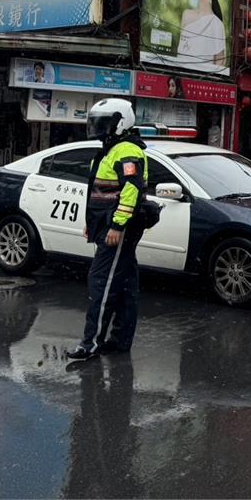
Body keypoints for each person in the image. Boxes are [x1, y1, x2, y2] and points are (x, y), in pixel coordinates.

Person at [66, 99, 149, 362]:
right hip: (109, 226)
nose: (97, 127)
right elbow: (101, 192)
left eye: (103, 121)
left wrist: (117, 226)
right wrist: (94, 225)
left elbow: (131, 191)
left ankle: (91, 344)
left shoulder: (125, 151)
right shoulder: (111, 148)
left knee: (101, 283)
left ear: (119, 122)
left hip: (119, 229)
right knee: (124, 285)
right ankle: (120, 341)